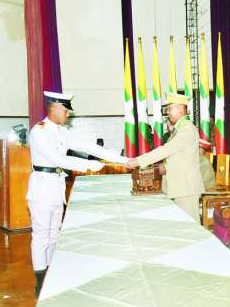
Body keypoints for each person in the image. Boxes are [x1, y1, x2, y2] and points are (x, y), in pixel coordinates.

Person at [27, 91, 128, 296]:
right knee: (41, 236)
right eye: (65, 111)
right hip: (42, 189)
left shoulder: (62, 131)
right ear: (54, 108)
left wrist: (122, 160)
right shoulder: (39, 132)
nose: (68, 115)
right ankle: (40, 282)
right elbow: (57, 160)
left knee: (54, 233)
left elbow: (87, 146)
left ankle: (51, 273)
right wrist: (87, 165)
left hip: (56, 188)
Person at [126, 93, 204, 221]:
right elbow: (177, 156)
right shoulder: (180, 129)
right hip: (180, 186)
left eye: (169, 108)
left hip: (186, 187)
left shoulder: (187, 129)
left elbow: (166, 150)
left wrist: (139, 161)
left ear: (179, 108)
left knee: (190, 225)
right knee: (182, 224)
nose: (167, 112)